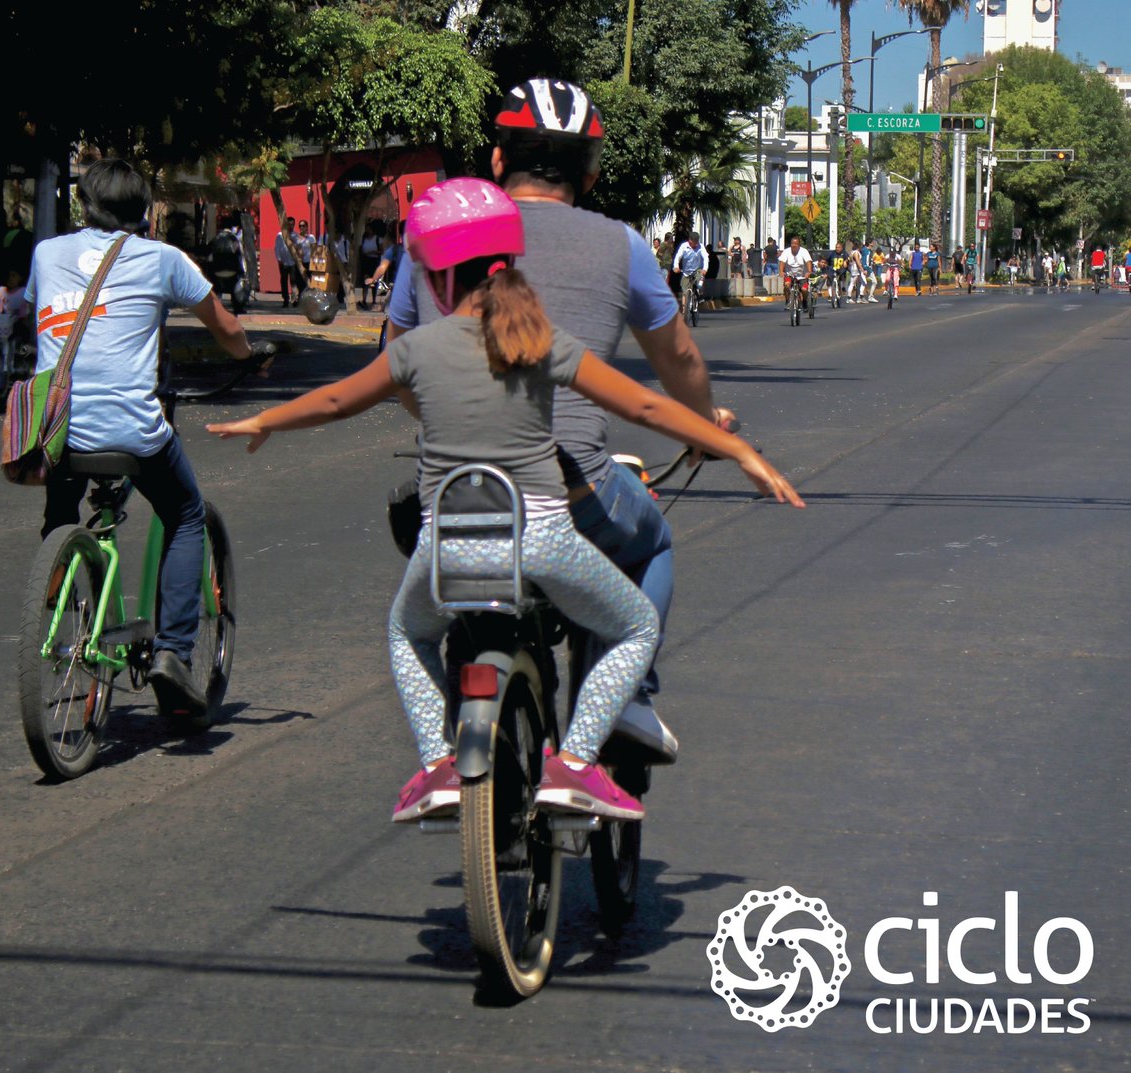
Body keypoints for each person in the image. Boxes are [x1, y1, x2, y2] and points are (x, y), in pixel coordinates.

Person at [208, 178, 804, 822]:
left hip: (446, 545)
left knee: (409, 634)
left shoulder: (412, 349)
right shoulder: (538, 342)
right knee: (634, 625)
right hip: (543, 539)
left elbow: (333, 400)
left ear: (436, 280)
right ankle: (574, 765)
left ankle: (438, 763)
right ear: (507, 265)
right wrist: (738, 450)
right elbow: (643, 403)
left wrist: (262, 423)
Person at [387, 78, 740, 759]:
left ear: (497, 162)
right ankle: (629, 699)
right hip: (572, 495)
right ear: (591, 172)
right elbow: (679, 357)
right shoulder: (622, 246)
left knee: (415, 619)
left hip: (458, 492)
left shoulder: (434, 237)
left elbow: (397, 361)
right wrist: (705, 426)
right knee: (654, 539)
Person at [25, 159, 252, 718]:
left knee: (66, 485)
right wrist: (252, 355)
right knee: (186, 513)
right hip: (130, 429)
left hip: (54, 429)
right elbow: (225, 327)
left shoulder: (46, 253)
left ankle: (61, 578)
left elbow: (43, 317)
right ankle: (173, 654)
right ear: (143, 214)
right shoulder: (163, 259)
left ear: (85, 206)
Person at [673, 231, 709, 310]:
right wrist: (676, 267)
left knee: (700, 281)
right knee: (684, 291)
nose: (696, 244)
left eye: (697, 241)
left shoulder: (701, 247)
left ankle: (700, 295)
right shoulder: (684, 246)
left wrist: (705, 269)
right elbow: (678, 257)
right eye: (695, 242)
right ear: (690, 240)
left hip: (697, 270)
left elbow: (706, 258)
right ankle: (684, 309)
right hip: (686, 271)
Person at [779, 234, 813, 311]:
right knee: (787, 285)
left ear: (799, 245)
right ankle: (788, 301)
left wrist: (809, 272)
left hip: (802, 276)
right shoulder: (786, 251)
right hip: (790, 275)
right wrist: (781, 271)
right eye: (792, 244)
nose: (794, 245)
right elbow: (782, 262)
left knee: (804, 289)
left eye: (796, 244)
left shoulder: (804, 251)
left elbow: (808, 262)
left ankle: (804, 302)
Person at [274, 216, 298, 307]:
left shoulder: (295, 236)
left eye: (292, 224)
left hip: (292, 262)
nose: (291, 226)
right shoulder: (280, 235)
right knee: (284, 281)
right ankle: (285, 300)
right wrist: (279, 258)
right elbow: (277, 247)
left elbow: (298, 248)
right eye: (289, 224)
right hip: (283, 262)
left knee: (293, 281)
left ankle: (295, 299)